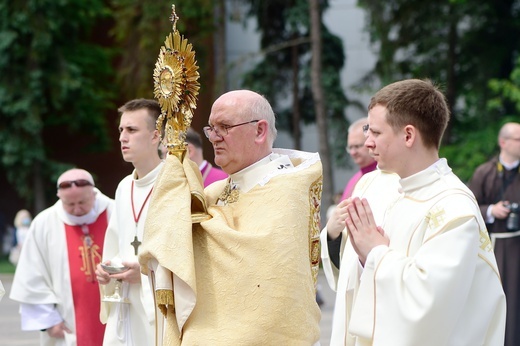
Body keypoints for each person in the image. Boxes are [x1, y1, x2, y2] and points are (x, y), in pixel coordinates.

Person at [321, 79, 506, 345]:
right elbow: (351, 271)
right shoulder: (372, 184)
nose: (367, 143)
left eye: (375, 132)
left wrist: (376, 254)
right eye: (366, 130)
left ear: (408, 135)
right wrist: (336, 236)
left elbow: (429, 303)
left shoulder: (453, 209)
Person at [139, 89, 322, 345]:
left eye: (224, 127)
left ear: (259, 130)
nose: (214, 138)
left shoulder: (288, 187)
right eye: (211, 128)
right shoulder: (213, 192)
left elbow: (263, 267)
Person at [10, 168, 114, 346]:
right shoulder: (44, 224)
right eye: (69, 204)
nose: (77, 209)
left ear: (94, 194)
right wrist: (49, 320)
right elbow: (31, 276)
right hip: (67, 324)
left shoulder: (116, 212)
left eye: (82, 202)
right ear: (59, 197)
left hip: (116, 318)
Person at [95, 98, 164, 346]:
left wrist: (147, 274)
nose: (123, 137)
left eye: (132, 130)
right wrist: (106, 271)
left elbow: (185, 252)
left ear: (155, 136)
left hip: (157, 305)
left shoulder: (173, 184)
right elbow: (115, 242)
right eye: (121, 130)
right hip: (123, 302)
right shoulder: (124, 187)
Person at [468, 122, 520, 346]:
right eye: (518, 139)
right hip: (492, 247)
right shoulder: (484, 172)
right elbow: (468, 207)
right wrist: (491, 210)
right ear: (503, 142)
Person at [340, 117, 377, 201]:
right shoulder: (354, 179)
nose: (353, 152)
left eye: (357, 146)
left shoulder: (385, 173)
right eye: (350, 147)